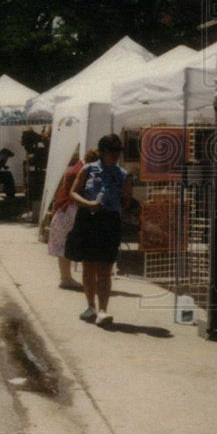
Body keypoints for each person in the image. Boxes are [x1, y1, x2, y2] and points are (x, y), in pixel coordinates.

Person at [67, 134, 132, 326]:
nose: (115, 156)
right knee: (88, 265)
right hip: (88, 219)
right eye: (112, 152)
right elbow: (73, 192)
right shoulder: (88, 169)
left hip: (109, 221)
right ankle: (90, 306)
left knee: (105, 267)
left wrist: (121, 201)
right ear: (102, 152)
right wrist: (88, 204)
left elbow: (126, 201)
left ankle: (103, 310)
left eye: (118, 152)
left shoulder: (123, 174)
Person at [47, 149, 99, 291]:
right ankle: (70, 279)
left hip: (63, 208)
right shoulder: (83, 171)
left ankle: (66, 278)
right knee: (74, 243)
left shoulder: (76, 167)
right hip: (71, 209)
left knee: (62, 243)